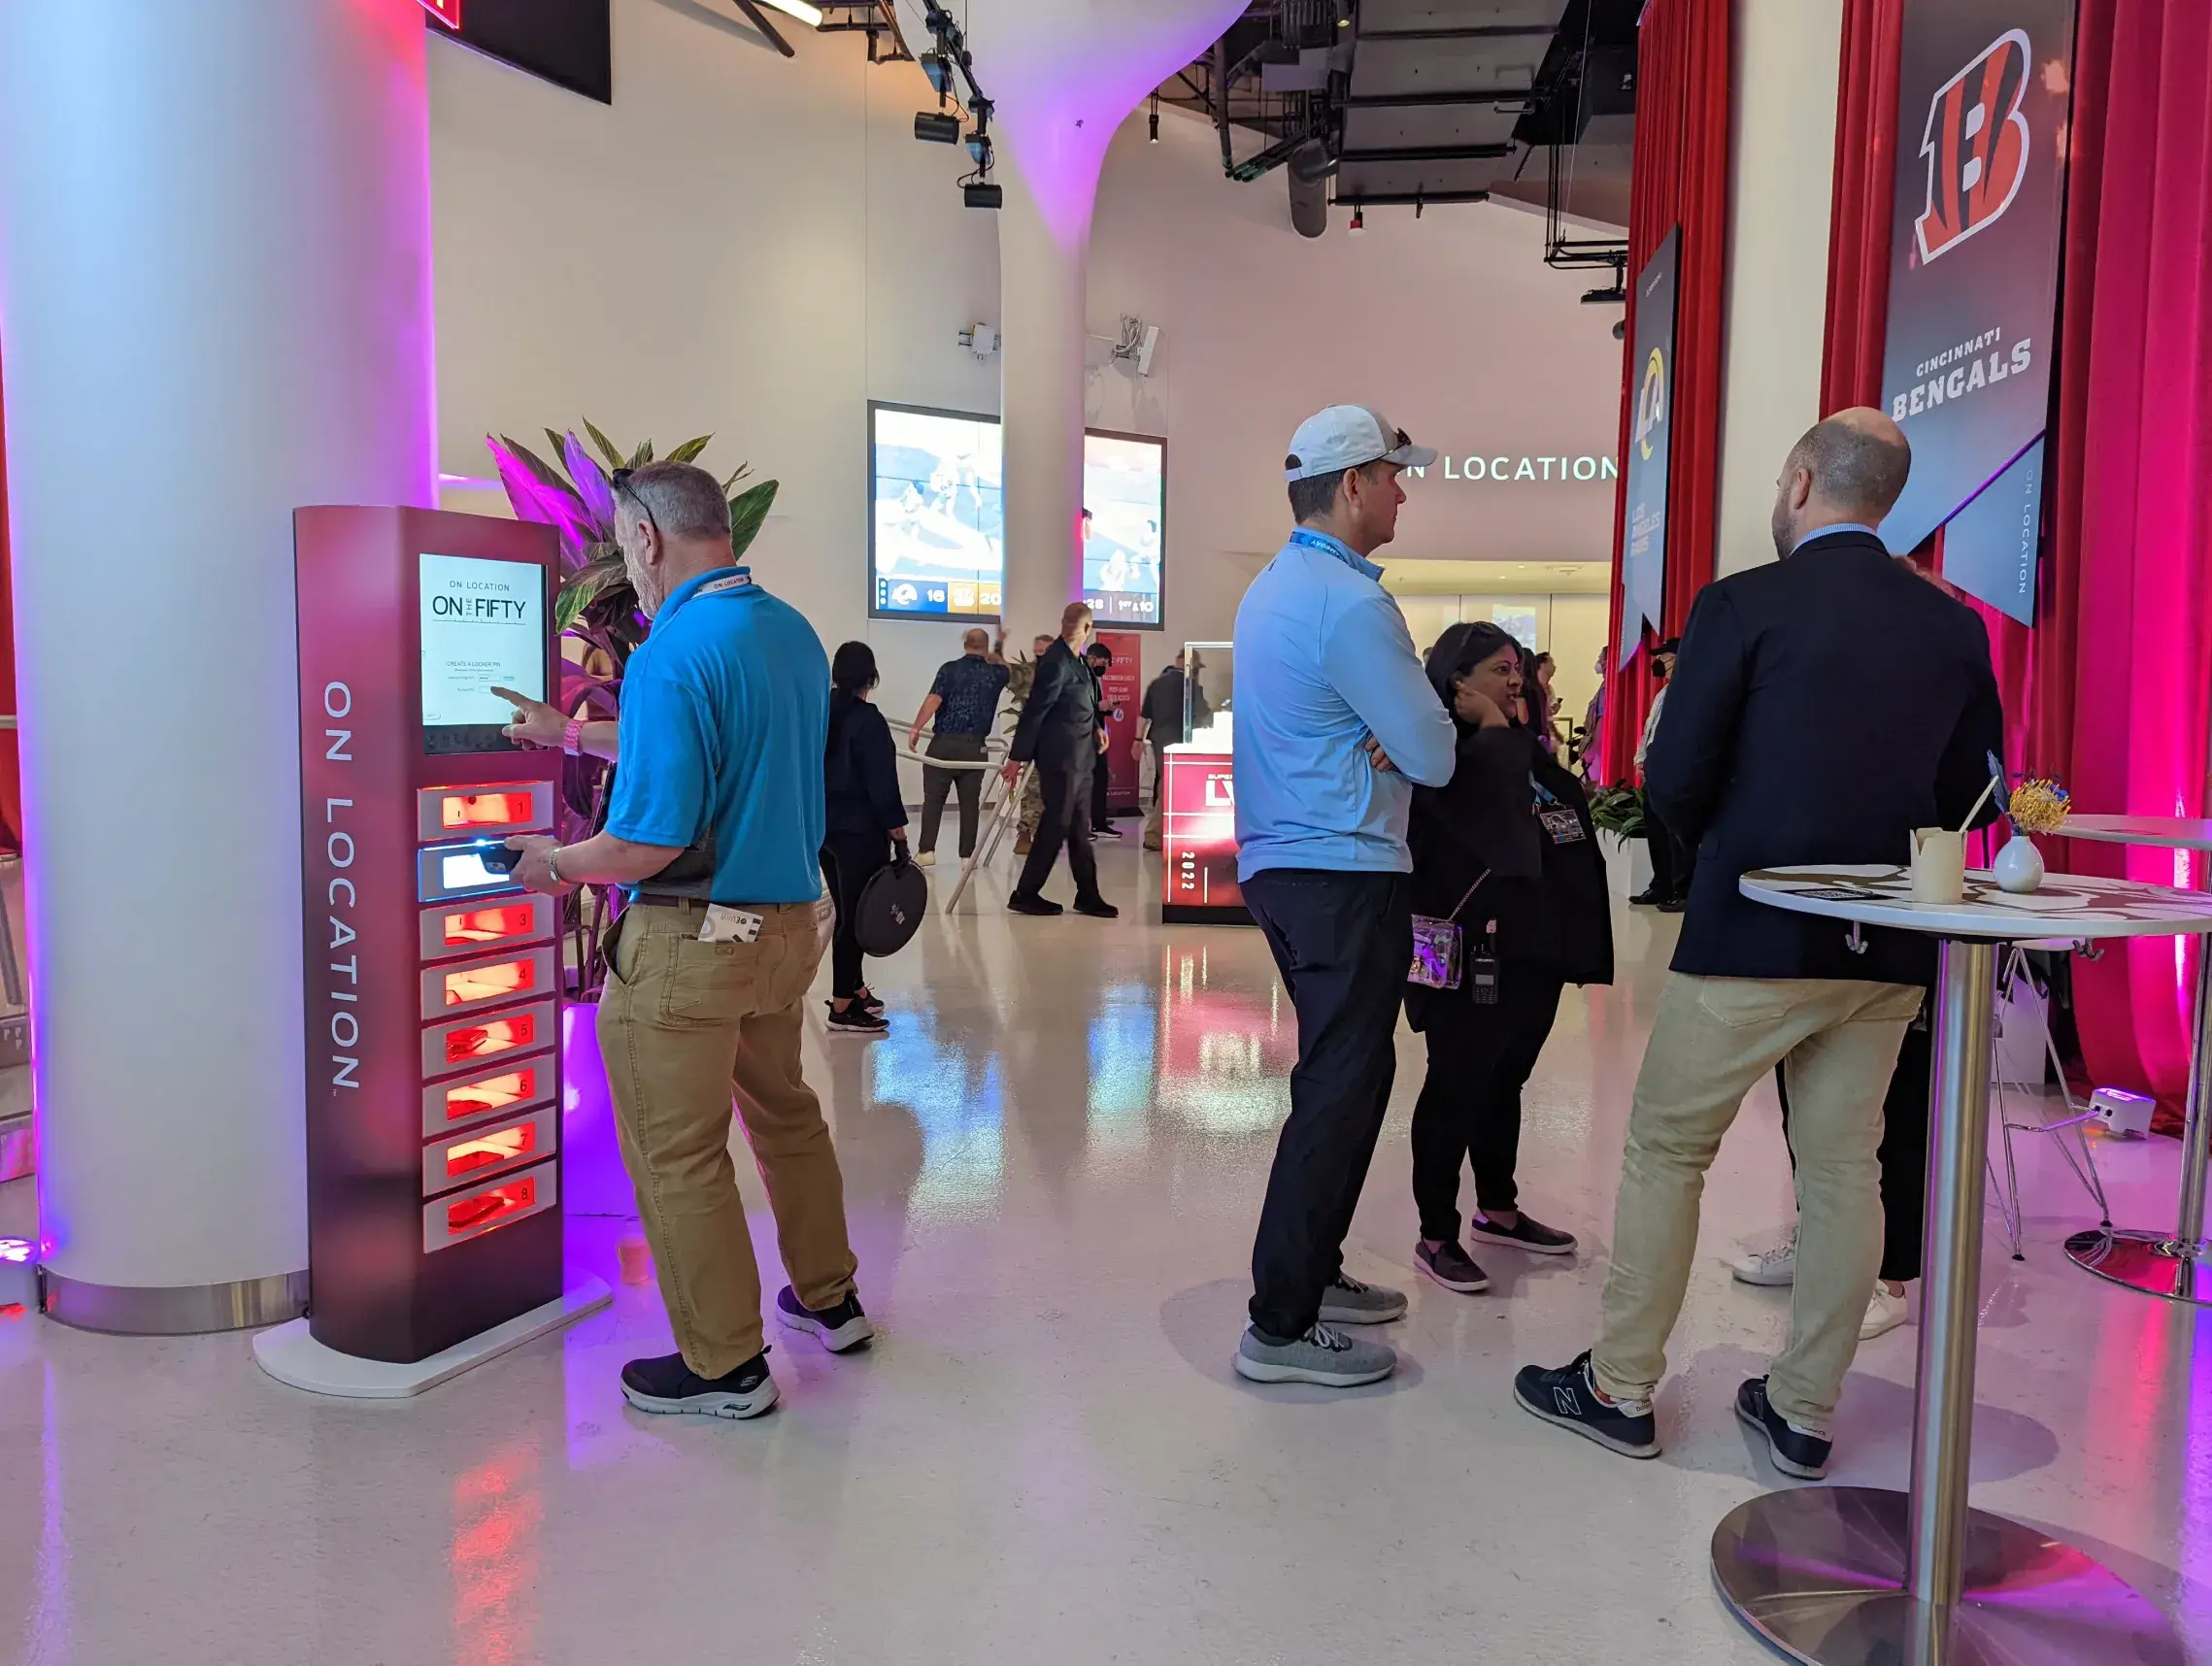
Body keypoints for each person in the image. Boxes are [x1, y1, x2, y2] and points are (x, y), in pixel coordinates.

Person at [1514, 409, 2003, 1480]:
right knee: (1843, 1172)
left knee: (1667, 1151)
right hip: (1887, 947)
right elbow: (1979, 794)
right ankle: (1801, 1413)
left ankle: (1619, 1386)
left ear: (1796, 484)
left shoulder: (1741, 604)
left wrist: (1726, 850)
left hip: (1751, 939)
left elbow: (1673, 774)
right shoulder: (1953, 625)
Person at [501, 461, 870, 1422]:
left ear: (646, 540)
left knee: (680, 1155)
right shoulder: (786, 632)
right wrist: (573, 736)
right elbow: (717, 751)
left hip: (690, 945)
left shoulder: (670, 649)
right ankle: (830, 1299)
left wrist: (556, 862)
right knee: (786, 1119)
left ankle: (724, 1368)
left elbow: (651, 840)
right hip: (783, 933)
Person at [1230, 405, 1456, 1389]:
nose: (1404, 490)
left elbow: (1401, 740)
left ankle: (1311, 1272)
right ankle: (1277, 1326)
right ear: (1353, 483)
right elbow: (1435, 754)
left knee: (1341, 1078)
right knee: (1339, 1087)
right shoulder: (1349, 604)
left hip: (1294, 868)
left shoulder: (1277, 587)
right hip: (1342, 871)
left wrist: (1392, 728)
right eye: (1394, 474)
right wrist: (1407, 726)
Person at [1406, 628, 1611, 1294]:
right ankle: (1435, 1233)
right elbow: (1503, 834)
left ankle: (1497, 1208)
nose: (1516, 681)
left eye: (1518, 669)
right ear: (1457, 684)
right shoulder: (1444, 761)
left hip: (1535, 951)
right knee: (1455, 1087)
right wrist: (1493, 728)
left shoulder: (1527, 753)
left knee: (1505, 1082)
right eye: (1500, 670)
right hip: (1473, 953)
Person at [1004, 602, 1116, 918]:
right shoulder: (1055, 661)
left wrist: (1096, 727)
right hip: (1060, 759)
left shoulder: (1077, 661)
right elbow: (1036, 710)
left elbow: (1080, 701)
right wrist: (1017, 757)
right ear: (1087, 628)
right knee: (1056, 825)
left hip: (1080, 757)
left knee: (1079, 829)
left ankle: (1088, 895)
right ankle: (1025, 893)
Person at [823, 641, 909, 1036]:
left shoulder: (820, 712)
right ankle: (842, 1006)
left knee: (847, 911)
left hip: (824, 830)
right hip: (860, 832)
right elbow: (881, 783)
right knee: (855, 919)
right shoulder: (869, 721)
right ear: (871, 678)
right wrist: (898, 832)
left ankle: (855, 988)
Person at [909, 626, 1008, 868]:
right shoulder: (997, 674)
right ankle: (967, 857)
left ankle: (926, 851)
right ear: (984, 648)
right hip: (975, 748)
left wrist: (916, 728)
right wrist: (997, 647)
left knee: (933, 799)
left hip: (943, 744)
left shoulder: (949, 669)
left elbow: (934, 699)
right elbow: (1002, 665)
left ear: (965, 644)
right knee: (970, 803)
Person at [1630, 638, 1692, 911]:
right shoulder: (1662, 694)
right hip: (1653, 773)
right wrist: (1641, 759)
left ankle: (1682, 889)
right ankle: (1661, 886)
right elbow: (1649, 731)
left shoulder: (1688, 692)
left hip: (1673, 774)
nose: (1660, 664)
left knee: (1674, 835)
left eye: (1664, 658)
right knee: (1656, 832)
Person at [1084, 639, 1123, 838]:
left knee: (1100, 780)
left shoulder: (1093, 679)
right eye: (1104, 663)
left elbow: (1094, 707)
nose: (1105, 668)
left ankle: (1098, 823)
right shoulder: (1080, 677)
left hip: (1096, 736)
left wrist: (1105, 709)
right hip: (1083, 739)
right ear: (1092, 658)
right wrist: (1100, 707)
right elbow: (1076, 707)